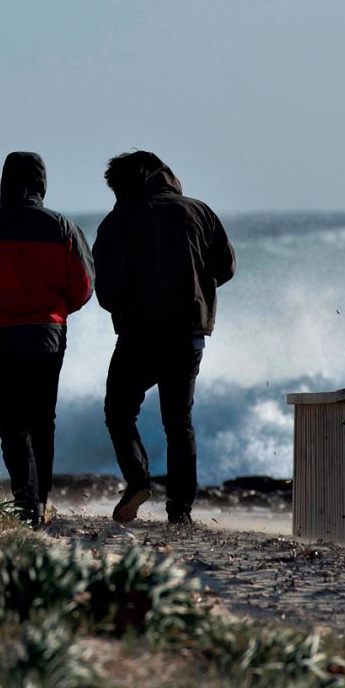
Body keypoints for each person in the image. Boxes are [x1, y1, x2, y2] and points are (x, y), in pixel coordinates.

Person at [0, 152, 94, 527]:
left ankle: (25, 501)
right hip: (47, 334)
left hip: (1, 336)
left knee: (11, 424)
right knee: (43, 419)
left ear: (4, 181)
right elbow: (85, 286)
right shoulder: (63, 226)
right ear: (42, 183)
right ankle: (40, 499)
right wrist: (56, 310)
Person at [94, 150, 236, 525]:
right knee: (179, 422)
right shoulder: (199, 211)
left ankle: (138, 480)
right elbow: (226, 267)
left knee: (119, 412)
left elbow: (107, 289)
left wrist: (128, 308)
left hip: (139, 335)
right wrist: (196, 288)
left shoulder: (118, 220)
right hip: (188, 334)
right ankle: (181, 511)